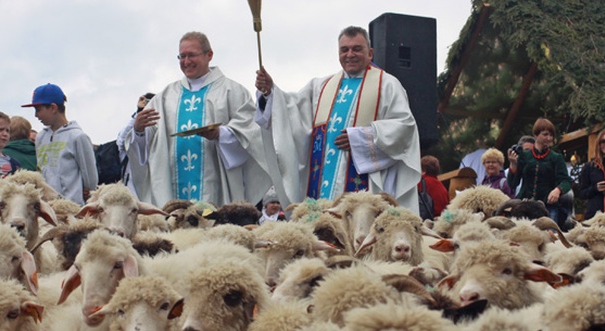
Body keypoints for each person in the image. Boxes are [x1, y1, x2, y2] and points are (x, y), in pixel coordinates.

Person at [254, 26, 421, 213]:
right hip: (320, 189)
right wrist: (270, 91)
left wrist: (360, 139)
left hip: (363, 188)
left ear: (370, 53)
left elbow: (404, 126)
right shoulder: (321, 87)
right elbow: (290, 109)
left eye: (357, 49)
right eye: (344, 50)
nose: (350, 54)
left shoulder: (387, 84)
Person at [129, 31, 271, 207]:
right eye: (182, 56)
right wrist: (139, 130)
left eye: (192, 55)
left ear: (209, 55)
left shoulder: (232, 91)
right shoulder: (165, 97)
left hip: (215, 187)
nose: (186, 62)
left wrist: (221, 134)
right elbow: (147, 145)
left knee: (211, 222)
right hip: (172, 190)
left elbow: (251, 132)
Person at [21, 83, 98, 205]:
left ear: (53, 108)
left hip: (72, 208)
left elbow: (91, 179)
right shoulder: (41, 137)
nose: (36, 115)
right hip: (47, 207)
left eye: (38, 109)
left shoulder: (77, 136)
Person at [507, 118, 572, 225]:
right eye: (545, 134)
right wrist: (513, 164)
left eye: (551, 135)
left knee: (549, 238)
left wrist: (558, 190)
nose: (549, 138)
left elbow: (566, 181)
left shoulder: (556, 158)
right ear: (536, 135)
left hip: (548, 208)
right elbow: (512, 183)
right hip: (524, 207)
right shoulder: (524, 156)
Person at [116, 92, 155, 198]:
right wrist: (138, 113)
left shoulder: (159, 132)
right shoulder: (133, 131)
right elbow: (122, 141)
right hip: (131, 195)